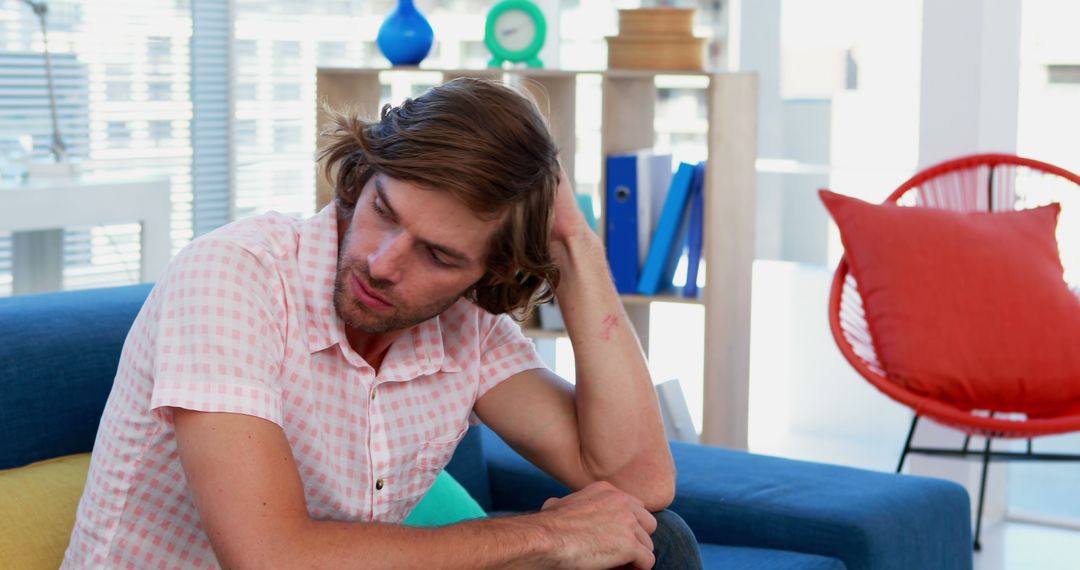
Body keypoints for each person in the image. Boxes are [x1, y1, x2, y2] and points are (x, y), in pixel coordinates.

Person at [62, 78, 702, 569]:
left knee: (654, 540)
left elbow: (639, 481)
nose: (382, 262)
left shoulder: (464, 325)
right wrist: (546, 535)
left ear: (489, 274)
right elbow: (270, 557)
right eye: (385, 211)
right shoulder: (236, 274)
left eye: (439, 255)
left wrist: (575, 243)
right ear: (363, 175)